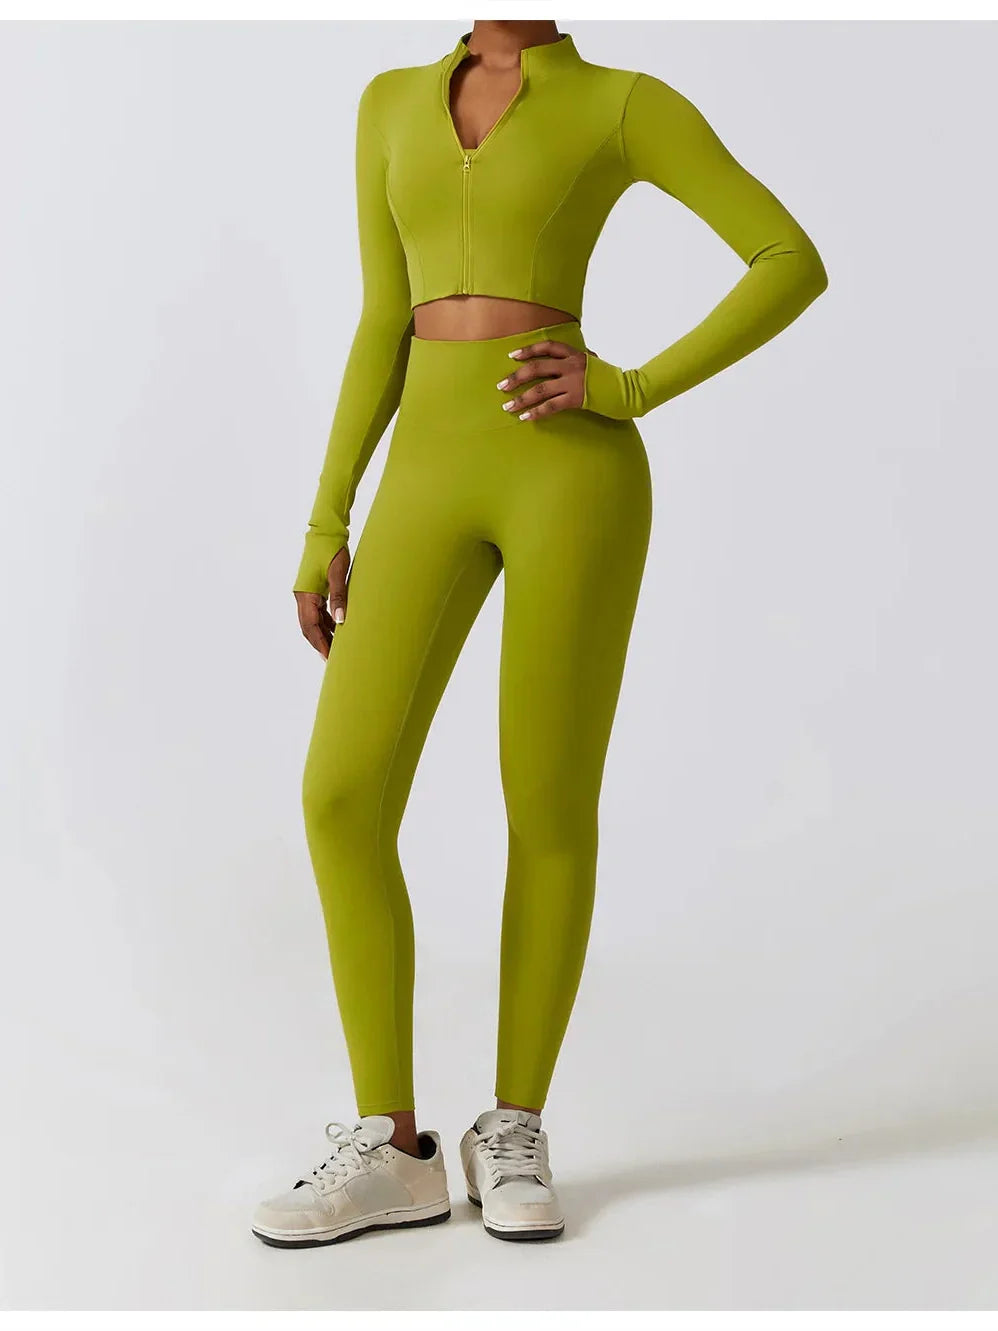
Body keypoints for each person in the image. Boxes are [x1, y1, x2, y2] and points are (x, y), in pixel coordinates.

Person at [251, 19, 828, 1248]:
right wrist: (326, 516)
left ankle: (512, 1125)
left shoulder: (619, 102)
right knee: (340, 794)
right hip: (424, 472)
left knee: (546, 801)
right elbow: (381, 316)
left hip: (571, 476)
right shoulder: (387, 102)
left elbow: (788, 258)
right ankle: (392, 1149)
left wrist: (624, 386)